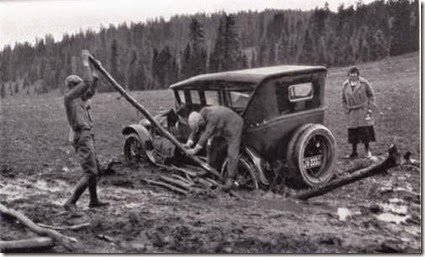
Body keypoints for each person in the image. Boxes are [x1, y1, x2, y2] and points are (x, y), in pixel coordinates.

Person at [63, 50, 108, 212]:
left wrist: (96, 72)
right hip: (81, 136)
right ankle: (70, 202)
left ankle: (93, 200)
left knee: (93, 170)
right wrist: (85, 63)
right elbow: (87, 82)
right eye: (79, 86)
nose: (82, 90)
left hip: (86, 135)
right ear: (74, 87)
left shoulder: (79, 99)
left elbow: (91, 89)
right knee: (91, 173)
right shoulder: (70, 98)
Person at [183, 106, 244, 190]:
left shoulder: (212, 117)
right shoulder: (200, 115)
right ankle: (209, 168)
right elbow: (195, 132)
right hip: (222, 127)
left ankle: (231, 178)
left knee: (232, 153)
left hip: (234, 126)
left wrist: (194, 150)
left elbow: (207, 134)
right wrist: (188, 144)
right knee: (210, 145)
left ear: (201, 122)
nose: (201, 129)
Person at [342, 66, 376, 159]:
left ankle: (367, 150)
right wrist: (346, 110)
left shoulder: (364, 83)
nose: (353, 76)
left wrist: (369, 108)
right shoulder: (345, 85)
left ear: (358, 75)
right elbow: (343, 99)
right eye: (351, 74)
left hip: (363, 110)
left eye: (355, 74)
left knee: (365, 131)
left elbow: (371, 95)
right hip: (352, 112)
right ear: (348, 75)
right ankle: (354, 152)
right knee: (353, 132)